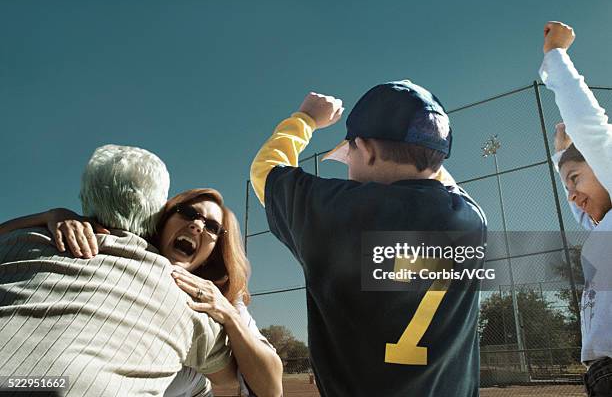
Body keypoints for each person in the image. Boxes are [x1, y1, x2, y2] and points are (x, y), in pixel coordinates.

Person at [250, 82, 486, 396]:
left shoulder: (341, 212)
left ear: (369, 150)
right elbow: (436, 179)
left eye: (350, 155)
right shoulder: (471, 218)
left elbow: (265, 171)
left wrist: (305, 118)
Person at [0, 145, 237, 396]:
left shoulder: (30, 239)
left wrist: (49, 215)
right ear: (160, 215)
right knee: (201, 383)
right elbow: (233, 380)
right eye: (188, 213)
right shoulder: (186, 297)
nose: (197, 226)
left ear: (85, 197)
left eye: (212, 226)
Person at [540, 21, 612, 396]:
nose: (571, 194)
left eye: (577, 179)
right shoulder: (604, 227)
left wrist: (556, 56)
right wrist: (561, 156)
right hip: (600, 374)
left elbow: (591, 126)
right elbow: (582, 207)